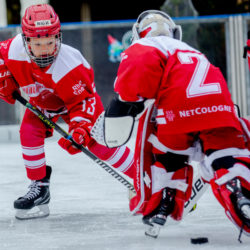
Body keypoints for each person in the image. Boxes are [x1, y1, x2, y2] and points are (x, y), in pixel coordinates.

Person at [97, 10, 250, 238]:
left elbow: (133, 87)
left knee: (166, 151)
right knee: (225, 154)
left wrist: (121, 106)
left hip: (177, 108)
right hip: (219, 104)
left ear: (139, 33)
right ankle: (239, 194)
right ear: (173, 32)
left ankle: (163, 201)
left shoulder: (145, 46)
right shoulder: (192, 51)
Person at [0, 4, 135, 219]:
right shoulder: (14, 49)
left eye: (50, 42)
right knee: (28, 131)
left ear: (58, 37)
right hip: (43, 101)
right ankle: (40, 186)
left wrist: (80, 128)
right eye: (37, 43)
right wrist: (3, 73)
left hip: (78, 104)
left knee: (98, 145)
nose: (45, 49)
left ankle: (143, 175)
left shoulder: (69, 65)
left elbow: (83, 102)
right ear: (26, 40)